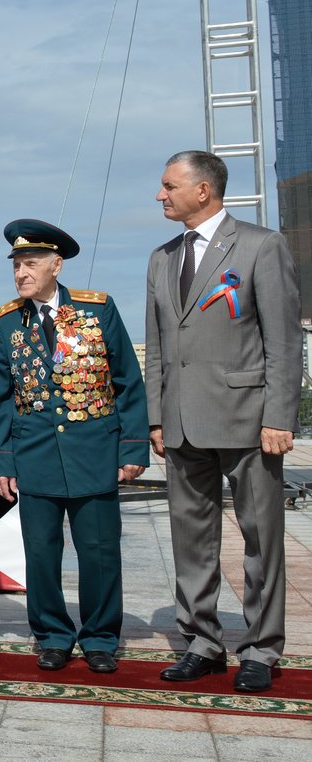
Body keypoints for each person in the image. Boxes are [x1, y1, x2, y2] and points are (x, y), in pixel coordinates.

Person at [145, 150, 299, 694]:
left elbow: (283, 340)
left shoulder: (260, 246)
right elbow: (161, 347)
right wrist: (157, 419)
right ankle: (202, 642)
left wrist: (280, 416)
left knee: (262, 540)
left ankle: (261, 648)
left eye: (168, 186)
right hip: (183, 425)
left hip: (249, 421)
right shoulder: (161, 258)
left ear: (203, 190)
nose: (161, 195)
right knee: (191, 541)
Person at [0, 219, 149, 674]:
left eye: (31, 263)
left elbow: (127, 383)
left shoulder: (98, 311)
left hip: (94, 452)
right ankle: (53, 635)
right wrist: (0, 459)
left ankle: (100, 637)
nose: (21, 273)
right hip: (33, 455)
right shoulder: (3, 322)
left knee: (99, 551)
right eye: (16, 265)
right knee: (40, 553)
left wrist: (133, 448)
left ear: (56, 265)